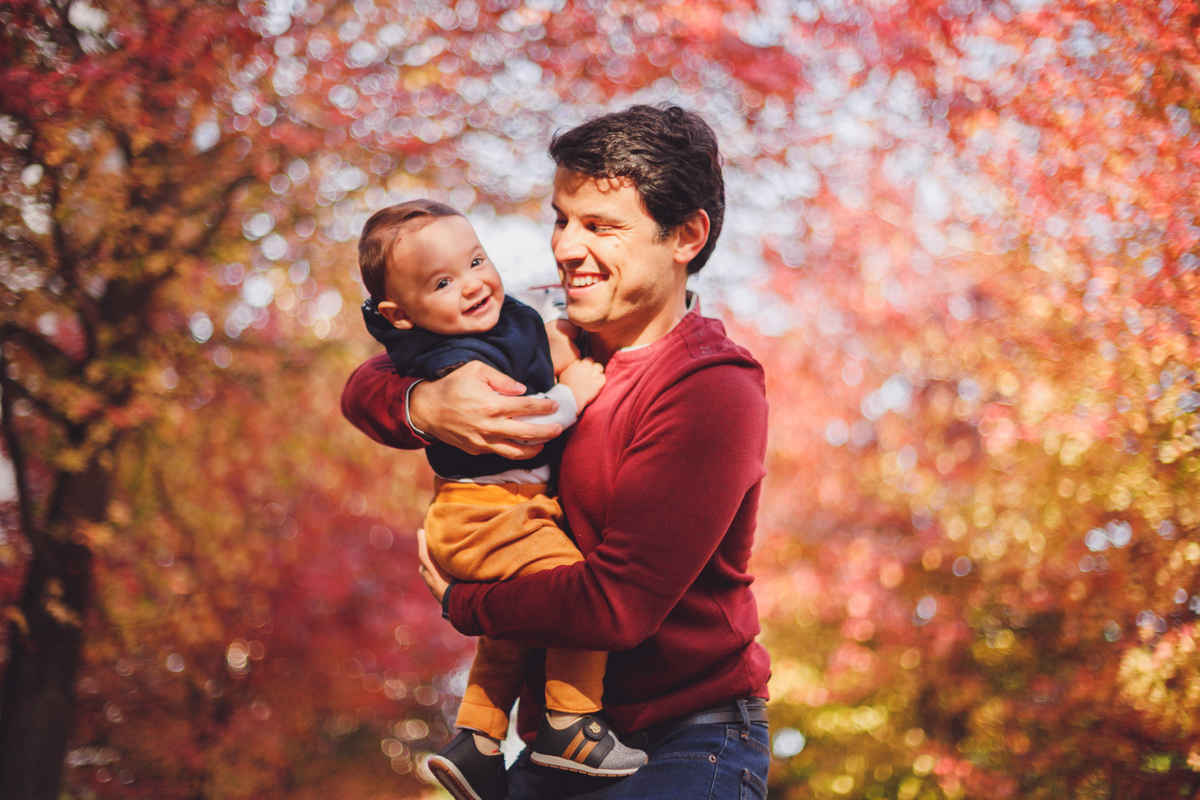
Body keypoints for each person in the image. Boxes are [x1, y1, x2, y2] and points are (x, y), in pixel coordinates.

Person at [342, 104, 771, 800]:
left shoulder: (711, 388)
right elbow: (369, 382)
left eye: (600, 226)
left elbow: (615, 607)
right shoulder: (545, 339)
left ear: (686, 235)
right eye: (562, 218)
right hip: (560, 746)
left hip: (687, 741)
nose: (566, 247)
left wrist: (463, 602)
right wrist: (425, 408)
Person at [355, 199, 648, 800]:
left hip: (504, 507)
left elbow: (536, 342)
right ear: (399, 315)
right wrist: (571, 393)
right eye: (441, 282)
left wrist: (556, 347)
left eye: (476, 261)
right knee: (568, 592)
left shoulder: (497, 320)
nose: (471, 286)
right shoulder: (449, 358)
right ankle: (572, 722)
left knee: (512, 627)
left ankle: (478, 742)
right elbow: (528, 421)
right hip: (482, 513)